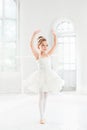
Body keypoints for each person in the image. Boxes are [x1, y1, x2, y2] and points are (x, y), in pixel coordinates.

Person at [24, 30, 64, 124]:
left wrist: (54, 36)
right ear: (39, 46)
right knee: (41, 96)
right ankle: (41, 117)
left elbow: (55, 45)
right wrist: (34, 34)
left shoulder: (48, 54)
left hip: (49, 76)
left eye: (46, 45)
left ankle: (43, 115)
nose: (45, 47)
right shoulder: (37, 55)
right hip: (41, 77)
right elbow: (31, 45)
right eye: (43, 45)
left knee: (46, 97)